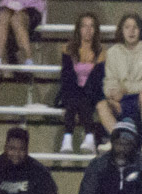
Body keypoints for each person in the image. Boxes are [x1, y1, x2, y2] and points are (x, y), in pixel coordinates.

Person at [96, 13, 142, 153]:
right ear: (121, 30)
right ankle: (116, 138)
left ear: (141, 30)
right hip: (124, 97)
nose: (131, 31)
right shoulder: (113, 52)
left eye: (135, 27)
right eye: (127, 27)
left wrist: (126, 89)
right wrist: (112, 93)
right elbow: (110, 80)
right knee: (102, 104)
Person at [58, 12, 106, 154]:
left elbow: (97, 78)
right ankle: (71, 138)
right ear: (78, 29)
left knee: (83, 99)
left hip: (92, 91)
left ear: (96, 30)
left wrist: (84, 90)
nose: (88, 30)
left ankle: (82, 137)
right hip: (72, 89)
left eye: (91, 26)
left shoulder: (101, 51)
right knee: (74, 98)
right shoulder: (68, 48)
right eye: (84, 26)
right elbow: (66, 75)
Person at [0, 0, 43, 66]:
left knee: (17, 19)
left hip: (30, 7)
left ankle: (28, 58)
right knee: (3, 15)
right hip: (8, 6)